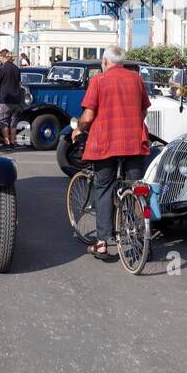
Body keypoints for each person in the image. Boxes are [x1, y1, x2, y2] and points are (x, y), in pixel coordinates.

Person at [71, 45, 150, 260]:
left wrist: (79, 129)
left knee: (104, 188)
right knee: (136, 189)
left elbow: (88, 115)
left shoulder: (99, 80)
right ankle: (142, 239)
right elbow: (144, 109)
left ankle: (102, 243)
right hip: (134, 142)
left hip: (106, 143)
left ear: (105, 62)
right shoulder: (136, 79)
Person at [0, 48, 22, 148]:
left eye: (0, 57)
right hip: (16, 99)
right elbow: (19, 84)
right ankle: (13, 142)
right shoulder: (17, 69)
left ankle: (7, 142)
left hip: (5, 99)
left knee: (3, 121)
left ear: (3, 56)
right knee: (13, 122)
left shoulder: (2, 68)